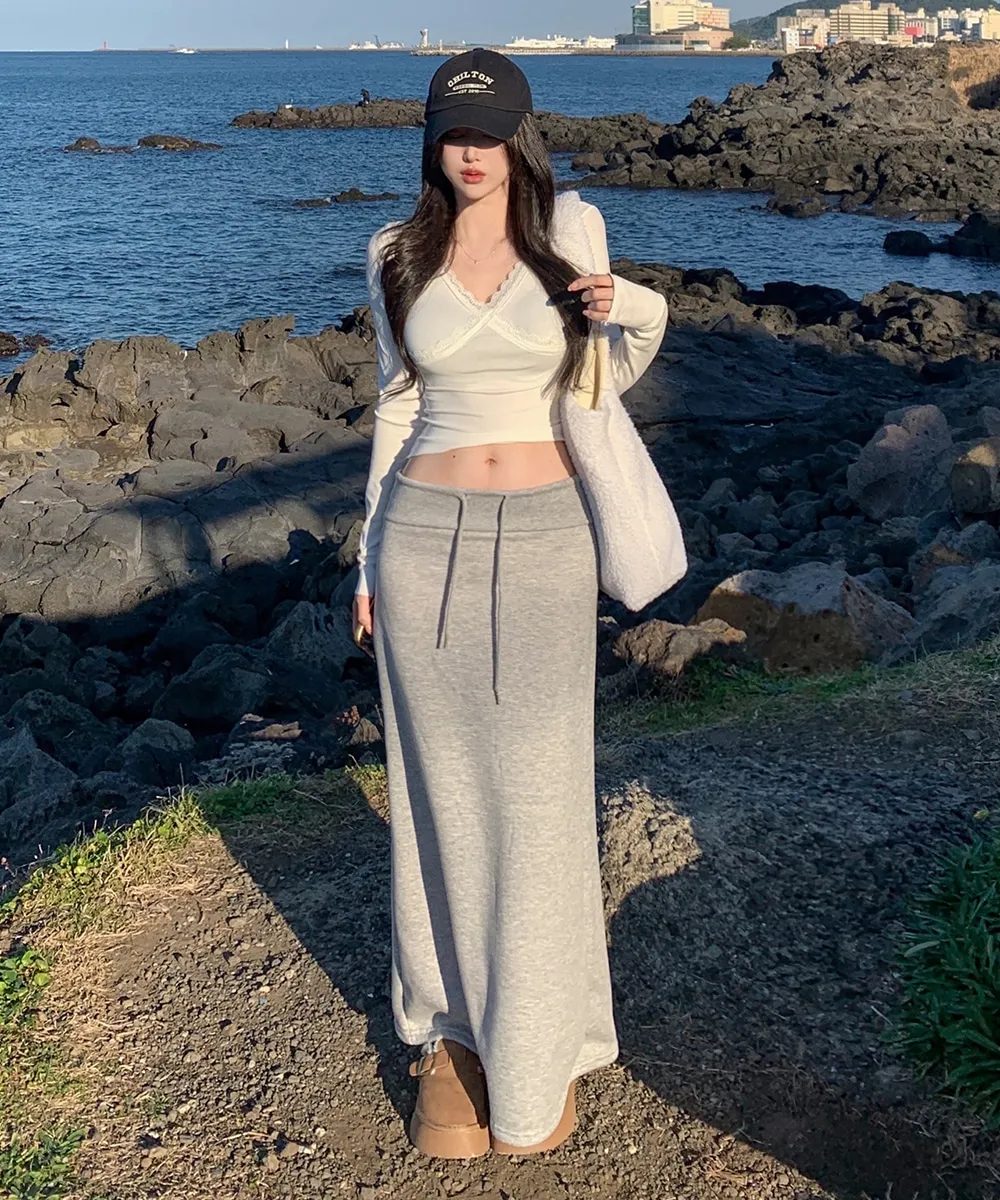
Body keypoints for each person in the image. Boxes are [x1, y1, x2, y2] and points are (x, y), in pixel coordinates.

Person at [351, 47, 668, 1159]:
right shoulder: (394, 252)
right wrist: (365, 560)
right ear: (432, 141)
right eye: (453, 132)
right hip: (420, 540)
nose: (471, 152)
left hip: (544, 538)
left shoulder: (570, 234)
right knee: (432, 795)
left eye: (488, 133)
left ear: (520, 137)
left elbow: (608, 376)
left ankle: (535, 1046)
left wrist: (633, 305)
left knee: (537, 797)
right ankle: (447, 1037)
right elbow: (396, 406)